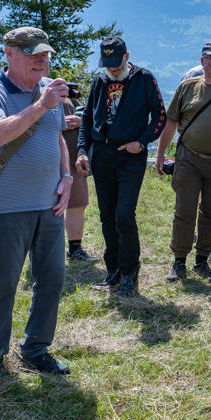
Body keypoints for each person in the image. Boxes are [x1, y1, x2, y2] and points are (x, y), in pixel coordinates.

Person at [0, 26, 75, 379]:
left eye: (45, 54)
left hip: (49, 203)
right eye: (32, 53)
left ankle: (36, 348)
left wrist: (66, 178)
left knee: (52, 279)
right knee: (4, 282)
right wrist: (41, 105)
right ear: (9, 53)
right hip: (8, 204)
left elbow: (58, 136)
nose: (41, 60)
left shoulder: (48, 91)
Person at [76, 37, 166, 296]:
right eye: (108, 64)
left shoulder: (144, 78)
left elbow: (160, 115)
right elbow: (87, 118)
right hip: (102, 155)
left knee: (124, 214)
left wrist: (142, 141)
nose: (113, 69)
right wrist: (82, 151)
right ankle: (113, 272)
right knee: (107, 215)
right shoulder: (100, 81)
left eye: (116, 63)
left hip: (130, 155)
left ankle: (130, 274)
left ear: (126, 56)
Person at [156, 43, 211, 283]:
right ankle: (179, 261)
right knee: (184, 210)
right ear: (202, 61)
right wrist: (161, 155)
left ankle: (202, 260)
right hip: (189, 159)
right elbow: (171, 123)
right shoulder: (187, 87)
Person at [61, 91, 95, 262]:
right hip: (48, 162)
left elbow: (89, 116)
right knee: (44, 207)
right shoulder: (36, 96)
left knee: (77, 205)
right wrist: (59, 123)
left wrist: (80, 121)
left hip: (76, 160)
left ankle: (75, 249)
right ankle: (40, 250)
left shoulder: (73, 98)